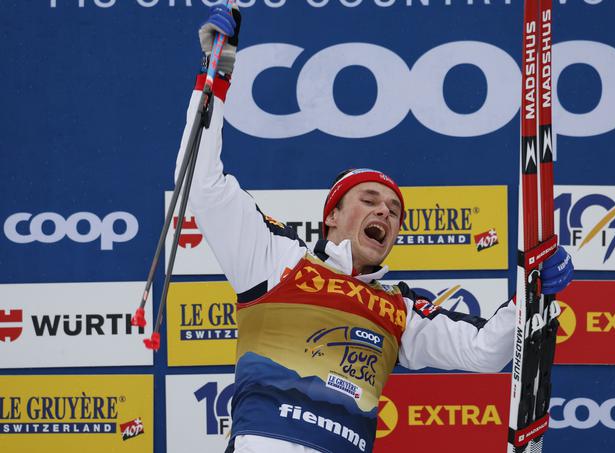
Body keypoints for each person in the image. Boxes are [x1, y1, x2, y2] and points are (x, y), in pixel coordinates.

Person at [177, 5, 574, 453]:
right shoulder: (276, 258)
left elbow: (484, 349)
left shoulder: (399, 309)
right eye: (369, 201)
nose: (384, 213)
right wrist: (216, 73)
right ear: (331, 215)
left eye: (394, 211)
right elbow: (203, 187)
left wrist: (531, 290)